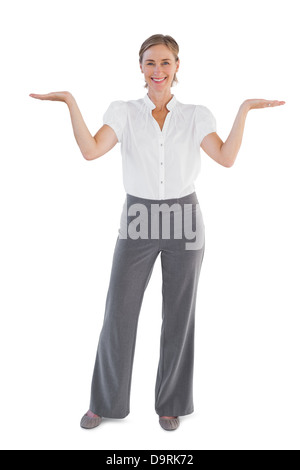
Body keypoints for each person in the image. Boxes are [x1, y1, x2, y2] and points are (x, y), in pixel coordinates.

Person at [29, 34, 285, 432]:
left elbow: (226, 158)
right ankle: (105, 402)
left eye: (165, 63)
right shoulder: (125, 111)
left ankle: (172, 403)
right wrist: (70, 102)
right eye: (150, 63)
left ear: (177, 67)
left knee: (179, 314)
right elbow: (92, 150)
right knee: (120, 310)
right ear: (141, 68)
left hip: (185, 217)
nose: (158, 71)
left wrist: (244, 110)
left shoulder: (196, 114)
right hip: (138, 216)